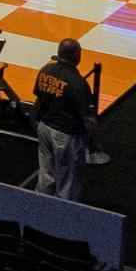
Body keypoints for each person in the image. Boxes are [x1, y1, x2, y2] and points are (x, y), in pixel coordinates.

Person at [32, 38, 95, 200]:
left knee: (46, 172)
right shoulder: (78, 83)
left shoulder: (45, 70)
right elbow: (87, 118)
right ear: (76, 55)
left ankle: (40, 208)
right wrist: (93, 138)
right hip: (66, 134)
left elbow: (38, 97)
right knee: (68, 180)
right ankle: (63, 217)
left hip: (44, 127)